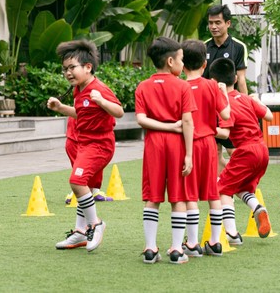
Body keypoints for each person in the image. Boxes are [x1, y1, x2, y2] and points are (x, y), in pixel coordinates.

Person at [47, 40, 123, 252]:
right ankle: (80, 232)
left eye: (72, 67)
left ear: (88, 67)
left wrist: (102, 101)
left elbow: (119, 111)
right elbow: (81, 113)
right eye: (65, 69)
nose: (68, 73)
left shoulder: (98, 88)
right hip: (84, 142)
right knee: (86, 187)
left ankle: (95, 224)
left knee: (76, 181)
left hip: (99, 144)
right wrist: (61, 108)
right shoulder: (79, 89)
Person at [135, 37, 196, 264]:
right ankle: (176, 250)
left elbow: (141, 119)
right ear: (171, 61)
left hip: (153, 145)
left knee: (153, 197)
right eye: (181, 59)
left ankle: (150, 249)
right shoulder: (182, 86)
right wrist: (189, 153)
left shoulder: (143, 86)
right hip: (176, 145)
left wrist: (164, 126)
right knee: (178, 197)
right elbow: (187, 122)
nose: (183, 63)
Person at [209, 58, 274, 247]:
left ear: (214, 83)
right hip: (262, 150)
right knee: (241, 188)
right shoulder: (246, 99)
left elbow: (224, 132)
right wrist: (256, 101)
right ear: (236, 78)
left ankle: (231, 233)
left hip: (244, 152)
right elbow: (269, 116)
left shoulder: (223, 105)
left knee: (222, 190)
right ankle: (258, 208)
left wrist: (205, 129)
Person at [179, 39, 231, 258]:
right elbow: (227, 115)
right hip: (210, 145)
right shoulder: (211, 85)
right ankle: (215, 242)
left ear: (182, 65)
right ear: (204, 64)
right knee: (212, 193)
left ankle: (192, 244)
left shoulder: (179, 87)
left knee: (189, 194)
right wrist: (224, 92)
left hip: (188, 145)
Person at [201, 4, 249, 174]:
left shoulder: (238, 47)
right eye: (210, 23)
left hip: (230, 108)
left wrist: (245, 106)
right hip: (208, 108)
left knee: (234, 151)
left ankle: (238, 185)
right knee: (214, 153)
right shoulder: (203, 47)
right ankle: (224, 187)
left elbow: (241, 79)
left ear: (228, 23)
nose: (213, 26)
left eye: (218, 22)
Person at [63, 116, 113, 205]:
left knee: (97, 165)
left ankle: (94, 191)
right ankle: (76, 194)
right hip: (77, 140)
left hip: (94, 140)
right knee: (80, 170)